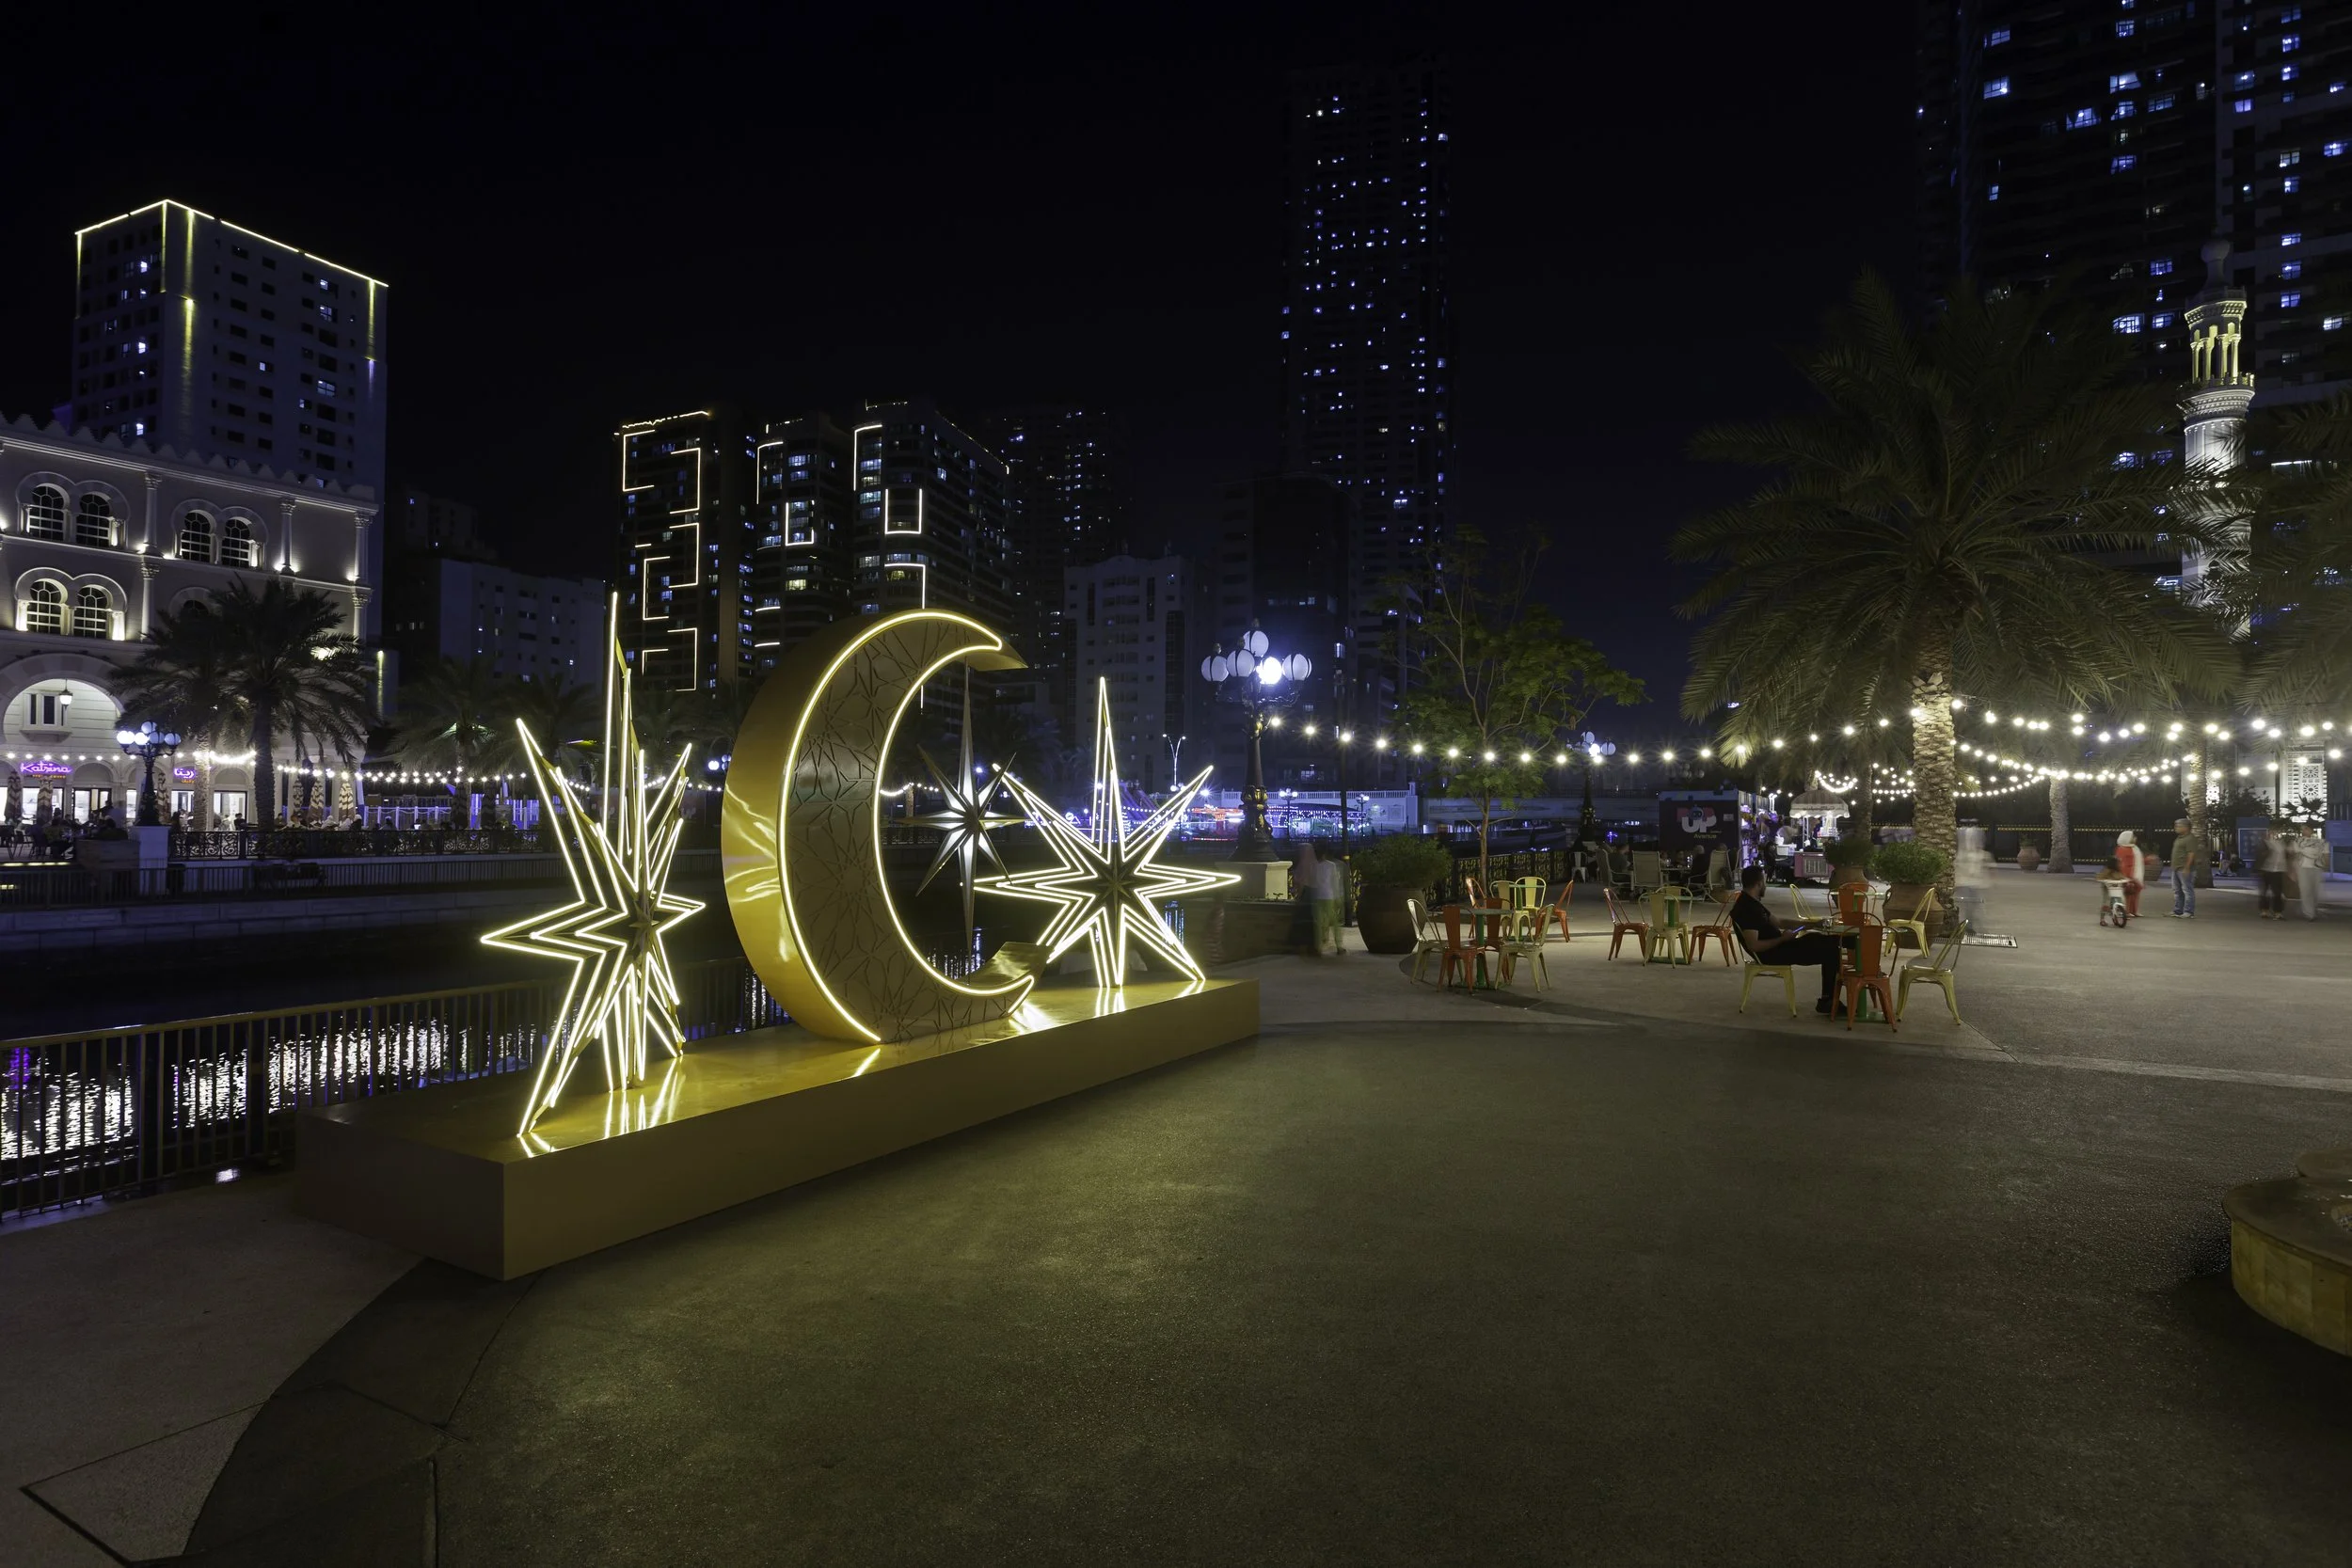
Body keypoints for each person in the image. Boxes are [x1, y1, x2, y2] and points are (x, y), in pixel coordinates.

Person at [1728, 863, 1850, 1014]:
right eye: (1764, 882)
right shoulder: (1748, 909)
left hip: (1781, 946)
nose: (1765, 885)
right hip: (1772, 953)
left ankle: (1828, 999)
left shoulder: (1752, 903)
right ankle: (1829, 1000)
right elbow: (1754, 945)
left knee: (1822, 939)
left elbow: (1779, 922)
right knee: (1830, 948)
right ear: (1759, 883)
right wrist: (1782, 939)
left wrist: (1811, 924)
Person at [2168, 817, 2203, 918]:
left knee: (2187, 890)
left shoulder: (2190, 839)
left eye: (2178, 826)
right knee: (2177, 890)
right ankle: (2178, 910)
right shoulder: (2179, 838)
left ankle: (2188, 911)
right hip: (2176, 868)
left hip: (2184, 869)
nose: (2176, 828)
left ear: (2186, 827)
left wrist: (2187, 867)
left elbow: (2191, 854)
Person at [2292, 826, 2325, 922]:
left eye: (2307, 829)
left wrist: (2325, 865)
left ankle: (2313, 910)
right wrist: (2293, 870)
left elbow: (2324, 854)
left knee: (2314, 891)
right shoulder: (2298, 841)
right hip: (2303, 868)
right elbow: (2296, 855)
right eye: (2303, 829)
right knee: (2305, 891)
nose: (2305, 831)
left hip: (2317, 868)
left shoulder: (2320, 842)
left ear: (2311, 830)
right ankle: (2309, 914)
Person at [2113, 830, 2148, 918]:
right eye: (2133, 837)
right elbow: (2121, 864)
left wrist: (2147, 861)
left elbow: (2139, 861)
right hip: (2127, 875)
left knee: (2135, 894)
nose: (2135, 838)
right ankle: (2126, 912)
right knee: (2127, 894)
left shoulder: (2135, 848)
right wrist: (2126, 877)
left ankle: (2134, 911)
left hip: (2136, 875)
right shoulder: (2122, 849)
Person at [2256, 826, 2289, 919]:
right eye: (2272, 832)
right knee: (2264, 892)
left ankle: (2278, 912)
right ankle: (2264, 911)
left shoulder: (2282, 844)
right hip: (2266, 870)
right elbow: (2260, 856)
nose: (2274, 834)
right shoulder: (2264, 843)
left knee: (2277, 892)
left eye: (2276, 832)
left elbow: (2285, 856)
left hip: (2278, 870)